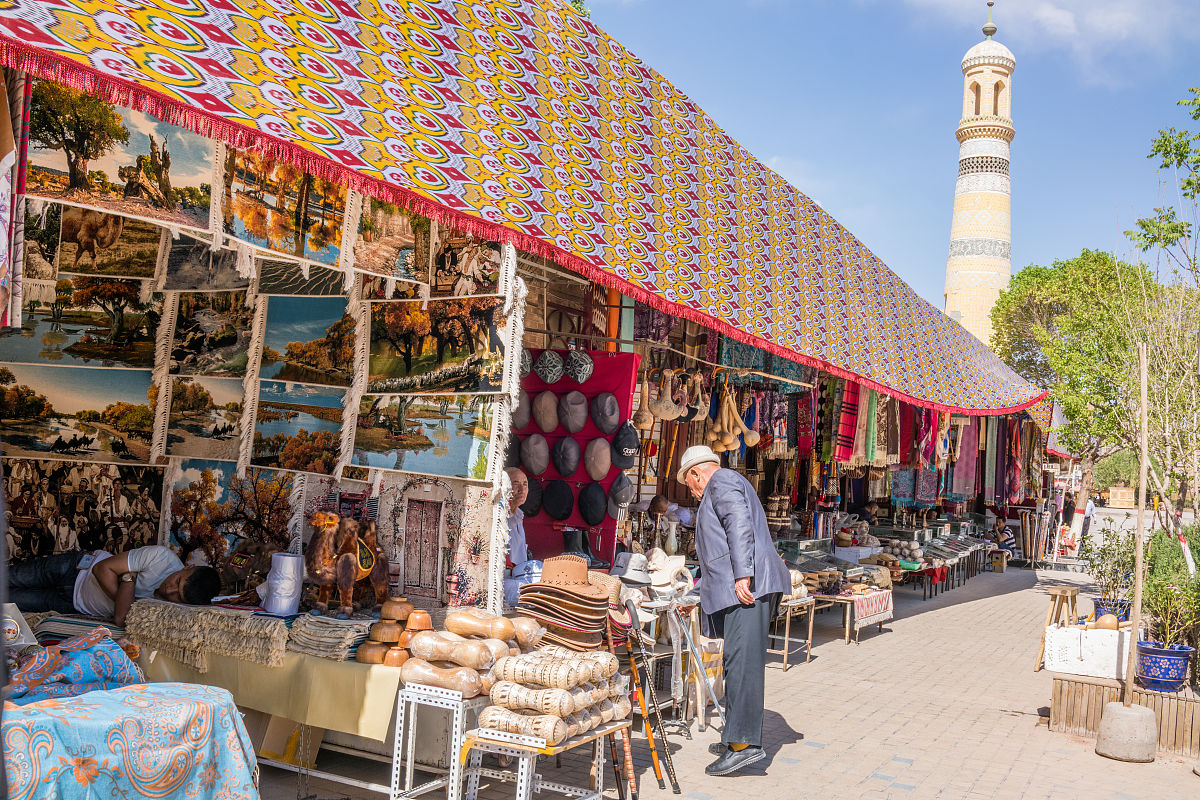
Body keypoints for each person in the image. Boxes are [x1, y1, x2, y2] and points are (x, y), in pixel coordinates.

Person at [677, 445, 790, 776]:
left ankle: (744, 746)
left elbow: (738, 524)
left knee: (743, 666)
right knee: (735, 663)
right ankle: (735, 738)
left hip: (749, 587)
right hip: (743, 587)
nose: (694, 491)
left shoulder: (722, 481)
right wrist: (698, 595)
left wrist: (744, 574)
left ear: (697, 473)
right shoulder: (724, 482)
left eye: (690, 484)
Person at [9, 544, 221, 627]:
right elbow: (101, 569)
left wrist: (127, 579)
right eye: (176, 581)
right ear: (187, 567)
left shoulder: (178, 610)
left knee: (10, 602)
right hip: (73, 568)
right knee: (11, 577)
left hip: (71, 604)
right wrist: (125, 600)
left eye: (178, 596)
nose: (169, 590)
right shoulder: (161, 557)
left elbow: (121, 618)